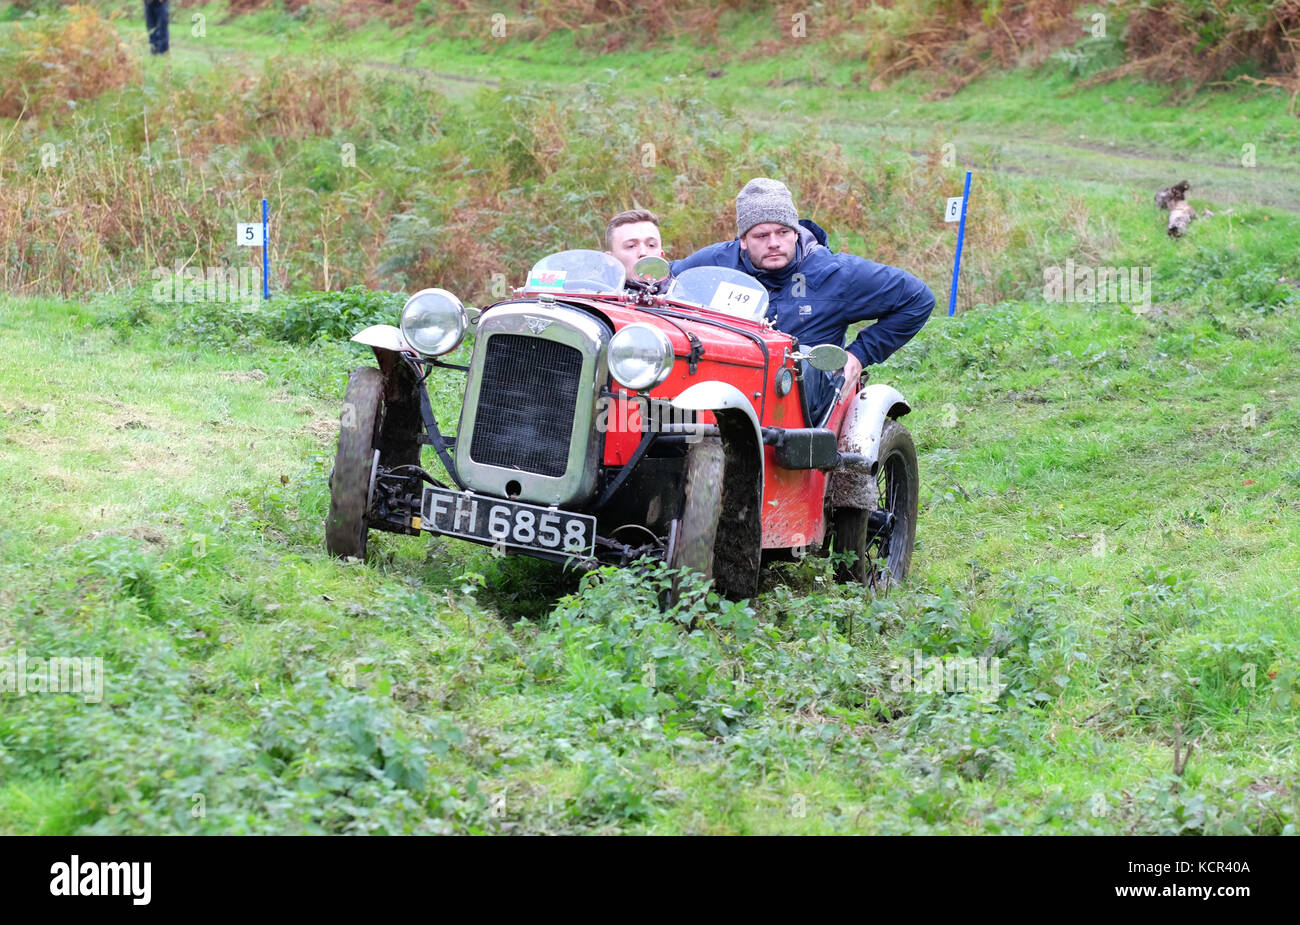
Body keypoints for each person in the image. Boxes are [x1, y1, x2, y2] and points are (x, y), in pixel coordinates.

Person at [669, 177, 934, 424]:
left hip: (805, 406)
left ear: (796, 233)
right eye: (761, 236)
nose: (774, 243)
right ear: (743, 241)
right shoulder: (716, 263)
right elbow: (661, 282)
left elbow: (918, 298)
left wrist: (859, 355)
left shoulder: (834, 274)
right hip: (720, 392)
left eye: (783, 232)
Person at [604, 209, 664, 282]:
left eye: (651, 245)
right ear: (610, 259)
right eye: (631, 246)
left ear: (661, 255)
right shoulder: (593, 290)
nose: (643, 253)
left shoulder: (678, 288)